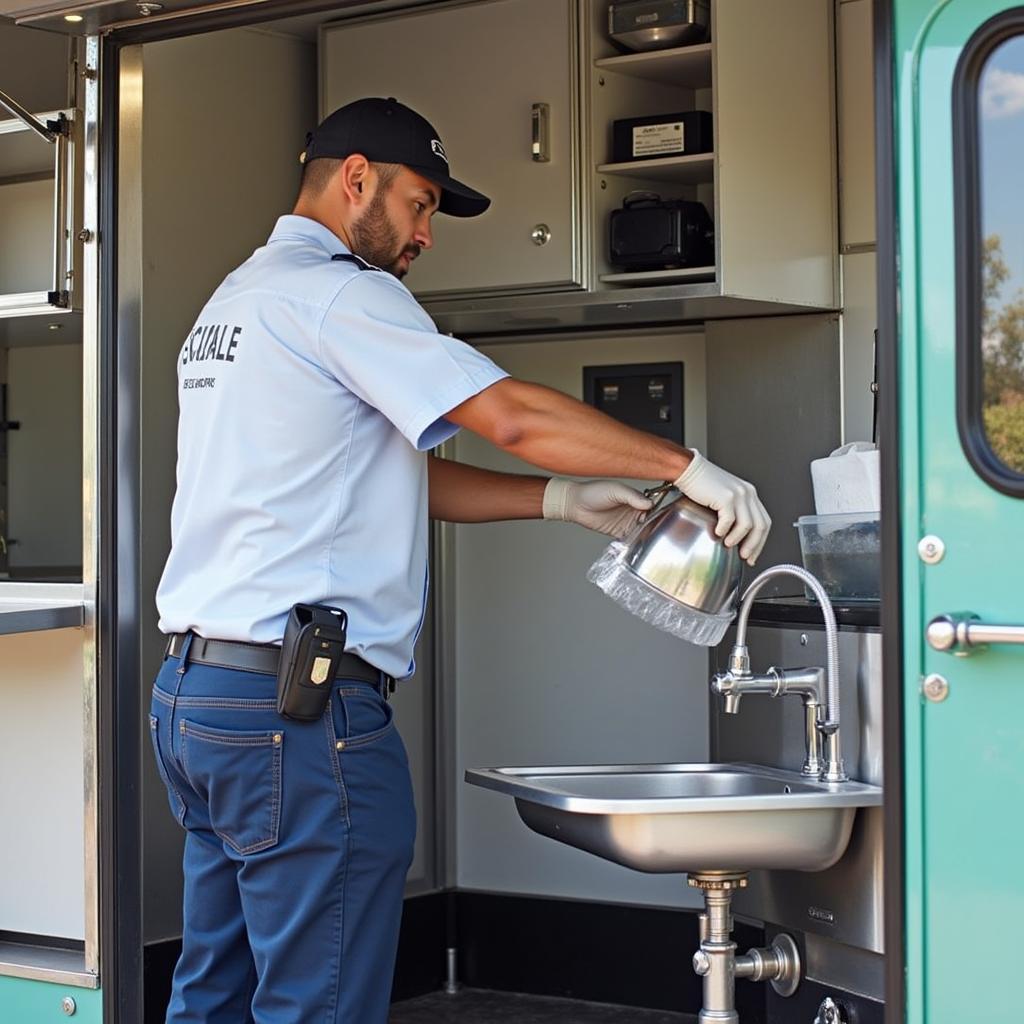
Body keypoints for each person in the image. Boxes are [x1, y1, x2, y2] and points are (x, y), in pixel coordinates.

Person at [149, 96, 770, 1024]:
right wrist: (687, 466)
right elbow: (511, 415)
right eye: (420, 203)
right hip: (301, 721)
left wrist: (557, 501)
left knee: (216, 994)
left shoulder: (237, 300)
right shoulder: (345, 294)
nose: (426, 234)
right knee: (315, 1006)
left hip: (203, 705)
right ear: (355, 178)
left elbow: (381, 480)